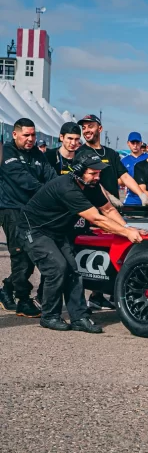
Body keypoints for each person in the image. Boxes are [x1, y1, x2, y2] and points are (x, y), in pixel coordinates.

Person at [18, 154, 146, 333]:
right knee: (57, 268)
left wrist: (128, 228)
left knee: (73, 270)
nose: (97, 177)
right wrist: (126, 233)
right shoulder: (67, 188)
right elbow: (97, 218)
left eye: (99, 173)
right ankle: (49, 316)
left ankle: (79, 318)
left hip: (57, 231)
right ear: (78, 172)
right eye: (93, 173)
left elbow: (107, 209)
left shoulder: (91, 185)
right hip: (33, 230)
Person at [76, 114, 148, 310]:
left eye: (90, 126)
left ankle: (101, 294)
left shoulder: (110, 153)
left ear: (100, 129)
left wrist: (142, 195)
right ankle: (85, 297)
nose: (86, 130)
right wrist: (108, 198)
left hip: (110, 210)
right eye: (84, 127)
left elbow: (124, 176)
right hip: (91, 210)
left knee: (114, 247)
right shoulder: (82, 153)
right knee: (89, 252)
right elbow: (89, 181)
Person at [0, 118, 56, 316]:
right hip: (12, 209)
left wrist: (61, 189)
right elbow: (25, 182)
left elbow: (50, 176)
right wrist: (51, 194)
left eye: (33, 135)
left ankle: (7, 289)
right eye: (26, 135)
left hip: (33, 211)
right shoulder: (6, 153)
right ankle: (23, 300)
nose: (30, 139)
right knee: (20, 254)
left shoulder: (38, 155)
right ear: (15, 134)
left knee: (31, 254)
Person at [121, 131, 148, 206]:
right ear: (128, 143)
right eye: (133, 143)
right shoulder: (124, 161)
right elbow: (118, 180)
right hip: (131, 199)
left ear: (141, 143)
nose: (135, 145)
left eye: (137, 143)